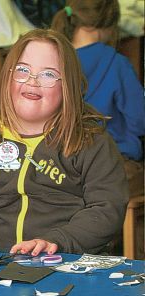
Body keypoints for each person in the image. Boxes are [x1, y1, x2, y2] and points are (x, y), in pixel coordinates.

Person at [0, 28, 128, 256]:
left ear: (68, 85)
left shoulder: (91, 142)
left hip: (66, 264)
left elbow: (107, 210)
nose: (32, 81)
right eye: (23, 70)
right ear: (7, 77)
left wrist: (57, 241)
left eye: (48, 74)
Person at [51, 0, 145, 198]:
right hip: (113, 162)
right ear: (109, 24)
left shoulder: (55, 61)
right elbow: (140, 121)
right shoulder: (117, 63)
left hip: (60, 164)